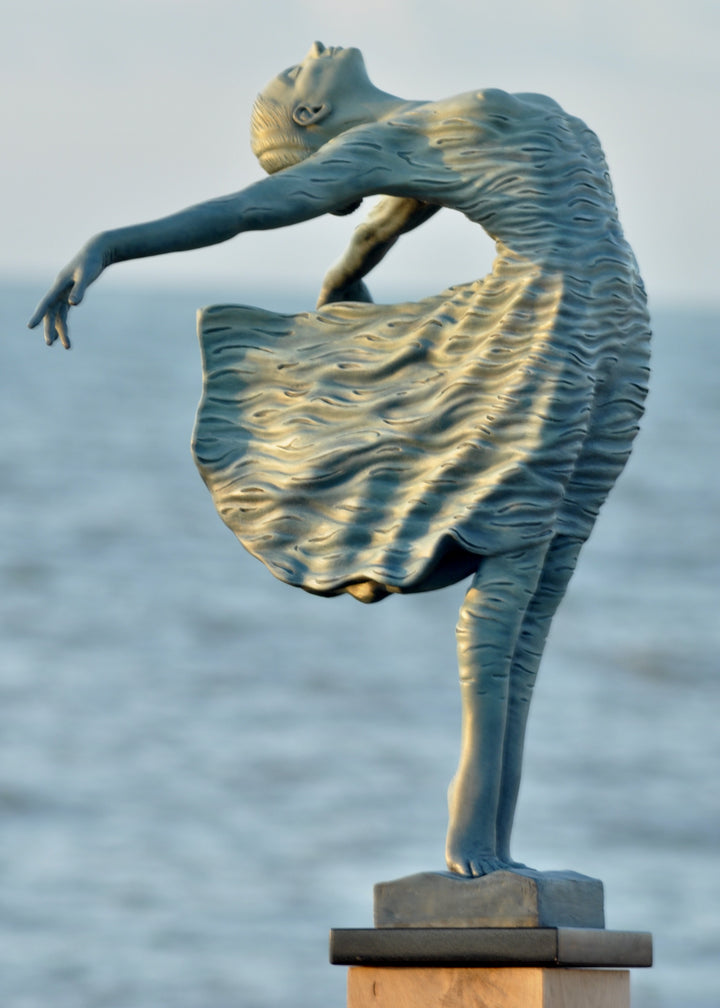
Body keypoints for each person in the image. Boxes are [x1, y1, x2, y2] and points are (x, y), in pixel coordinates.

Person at [29, 42, 651, 877]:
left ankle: (500, 852)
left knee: (539, 600)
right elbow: (251, 209)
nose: (311, 52)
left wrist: (345, 276)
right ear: (312, 113)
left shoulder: (421, 137)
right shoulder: (384, 144)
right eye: (292, 76)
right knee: (510, 595)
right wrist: (113, 242)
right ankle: (473, 844)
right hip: (546, 331)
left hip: (617, 338)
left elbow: (385, 221)